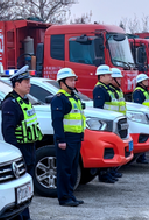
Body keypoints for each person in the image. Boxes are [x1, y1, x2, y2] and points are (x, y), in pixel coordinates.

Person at [1, 66, 42, 220]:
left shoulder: (25, 101)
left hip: (29, 147)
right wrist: (14, 152)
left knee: (27, 184)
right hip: (19, 150)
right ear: (16, 84)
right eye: (25, 82)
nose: (29, 85)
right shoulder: (10, 103)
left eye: (29, 82)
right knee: (18, 186)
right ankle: (16, 219)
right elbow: (8, 131)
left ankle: (25, 216)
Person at [51, 68, 84, 207]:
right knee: (64, 169)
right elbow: (57, 121)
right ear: (62, 82)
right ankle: (64, 197)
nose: (73, 82)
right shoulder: (59, 99)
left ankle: (70, 194)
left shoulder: (74, 97)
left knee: (72, 168)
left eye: (74, 79)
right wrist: (61, 140)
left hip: (76, 138)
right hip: (66, 139)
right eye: (70, 79)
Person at [92, 65, 123, 183]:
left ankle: (111, 171)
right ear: (101, 76)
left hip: (113, 121)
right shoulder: (99, 89)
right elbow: (99, 108)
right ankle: (104, 174)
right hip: (105, 123)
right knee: (107, 149)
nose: (111, 77)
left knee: (113, 148)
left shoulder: (107, 88)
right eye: (108, 75)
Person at [132, 74, 149, 164]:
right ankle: (141, 157)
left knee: (146, 136)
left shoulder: (146, 91)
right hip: (142, 117)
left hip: (147, 116)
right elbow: (138, 105)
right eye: (145, 80)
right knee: (142, 137)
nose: (147, 82)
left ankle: (143, 156)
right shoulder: (138, 91)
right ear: (140, 82)